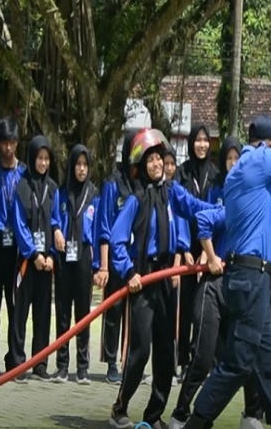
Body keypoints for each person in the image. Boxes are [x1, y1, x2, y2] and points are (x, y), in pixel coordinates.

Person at [180, 110, 271, 429]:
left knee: (268, 358)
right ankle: (197, 421)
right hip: (250, 277)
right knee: (238, 361)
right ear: (268, 144)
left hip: (249, 277)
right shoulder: (258, 160)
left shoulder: (245, 177)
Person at [108, 129, 193, 429]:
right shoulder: (136, 199)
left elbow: (188, 219)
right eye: (151, 160)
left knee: (166, 353)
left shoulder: (171, 194)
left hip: (167, 278)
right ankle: (120, 408)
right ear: (142, 166)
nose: (157, 164)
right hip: (143, 280)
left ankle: (154, 414)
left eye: (160, 159)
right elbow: (117, 240)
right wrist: (129, 272)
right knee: (140, 350)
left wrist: (182, 257)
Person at [169, 135, 243, 429]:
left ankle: (251, 414)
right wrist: (210, 255)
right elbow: (199, 214)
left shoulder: (258, 200)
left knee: (243, 359)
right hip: (215, 285)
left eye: (239, 159)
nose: (234, 164)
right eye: (230, 159)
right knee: (201, 358)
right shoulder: (223, 201)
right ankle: (180, 413)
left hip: (243, 288)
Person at [8, 135, 59, 382]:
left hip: (46, 263)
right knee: (20, 313)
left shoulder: (53, 188)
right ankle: (17, 363)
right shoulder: (22, 187)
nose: (43, 163)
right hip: (28, 261)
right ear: (31, 158)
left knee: (43, 313)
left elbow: (57, 221)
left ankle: (40, 363)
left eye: (47, 158)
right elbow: (19, 224)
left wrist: (51, 256)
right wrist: (34, 254)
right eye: (39, 158)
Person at [94, 130, 141, 384]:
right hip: (115, 259)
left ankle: (130, 362)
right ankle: (111, 361)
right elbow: (104, 227)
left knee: (135, 314)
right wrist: (103, 266)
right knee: (113, 312)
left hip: (138, 260)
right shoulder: (112, 184)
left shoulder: (143, 184)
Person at [51, 144, 99, 384]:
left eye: (85, 164)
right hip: (63, 256)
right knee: (62, 312)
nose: (81, 169)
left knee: (83, 313)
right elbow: (53, 218)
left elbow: (98, 229)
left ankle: (82, 367)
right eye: (78, 164)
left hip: (83, 256)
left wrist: (98, 265)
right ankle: (61, 366)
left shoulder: (94, 194)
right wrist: (56, 230)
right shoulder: (61, 192)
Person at [175, 124, 218, 381]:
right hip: (188, 249)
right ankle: (181, 359)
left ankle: (201, 361)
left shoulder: (215, 174)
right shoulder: (182, 173)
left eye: (205, 140)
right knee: (185, 306)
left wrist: (207, 250)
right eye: (197, 140)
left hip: (209, 250)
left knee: (205, 308)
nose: (201, 145)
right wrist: (184, 248)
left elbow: (216, 213)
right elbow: (179, 212)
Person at [0, 117, 24, 377]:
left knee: (15, 305)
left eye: (12, 142)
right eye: (4, 143)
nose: (8, 148)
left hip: (17, 249)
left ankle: (15, 358)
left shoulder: (24, 173)